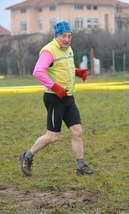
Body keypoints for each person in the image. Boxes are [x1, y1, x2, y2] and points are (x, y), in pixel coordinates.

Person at [19, 21, 97, 176]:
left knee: (77, 131)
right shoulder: (49, 51)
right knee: (53, 136)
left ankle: (81, 167)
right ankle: (27, 156)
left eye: (69, 36)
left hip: (68, 96)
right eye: (63, 36)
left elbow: (62, 68)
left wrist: (77, 72)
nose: (67, 39)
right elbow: (38, 72)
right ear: (56, 36)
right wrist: (55, 87)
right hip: (54, 98)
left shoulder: (68, 49)